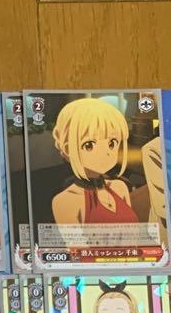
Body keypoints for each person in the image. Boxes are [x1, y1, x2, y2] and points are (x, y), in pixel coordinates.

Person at [51, 97, 138, 227]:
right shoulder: (65, 201)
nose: (106, 153)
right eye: (89, 145)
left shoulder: (120, 187)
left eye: (112, 143)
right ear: (68, 149)